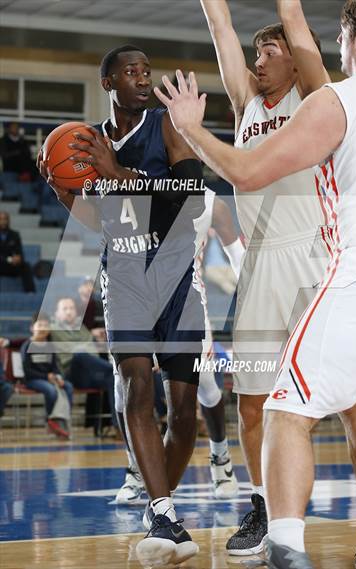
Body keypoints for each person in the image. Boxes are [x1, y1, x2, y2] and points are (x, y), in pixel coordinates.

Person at [154, 0, 356, 567]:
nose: (260, 59)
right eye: (256, 53)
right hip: (264, 260)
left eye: (271, 50)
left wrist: (190, 130)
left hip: (325, 253)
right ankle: (263, 504)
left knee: (346, 400)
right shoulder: (251, 104)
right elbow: (219, 24)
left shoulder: (323, 94)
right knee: (256, 401)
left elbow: (298, 25)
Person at [38, 45, 206, 567]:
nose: (141, 78)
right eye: (130, 72)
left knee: (184, 413)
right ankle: (161, 508)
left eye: (145, 72)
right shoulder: (85, 142)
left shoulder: (165, 125)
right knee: (137, 381)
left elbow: (189, 192)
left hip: (177, 271)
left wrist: (117, 172)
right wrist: (68, 195)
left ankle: (163, 508)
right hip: (127, 271)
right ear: (107, 81)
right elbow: (99, 221)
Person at [114, 191, 242, 507]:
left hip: (185, 305)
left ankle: (220, 457)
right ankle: (135, 468)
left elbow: (240, 260)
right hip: (133, 301)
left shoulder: (213, 204)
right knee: (123, 387)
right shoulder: (130, 182)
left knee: (207, 385)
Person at [50, 297, 117, 429]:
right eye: (65, 309)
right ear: (57, 313)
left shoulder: (82, 328)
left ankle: (117, 426)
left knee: (112, 378)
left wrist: (80, 347)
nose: (69, 312)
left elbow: (93, 352)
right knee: (79, 354)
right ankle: (114, 368)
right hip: (69, 373)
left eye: (71, 308)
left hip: (88, 373)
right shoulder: (51, 329)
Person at [20, 312, 73, 438]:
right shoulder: (27, 346)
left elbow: (55, 366)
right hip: (32, 380)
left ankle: (62, 420)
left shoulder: (51, 346)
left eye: (46, 325)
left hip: (49, 378)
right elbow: (26, 371)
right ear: (32, 328)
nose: (43, 328)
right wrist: (46, 377)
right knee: (51, 390)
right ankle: (51, 422)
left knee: (68, 386)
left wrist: (58, 377)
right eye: (40, 325)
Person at [0, 211, 35, 292]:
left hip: (11, 266)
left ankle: (31, 293)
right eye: (1, 219)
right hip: (1, 264)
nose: (3, 221)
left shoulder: (15, 235)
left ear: (9, 221)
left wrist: (19, 258)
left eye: (5, 219)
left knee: (26, 266)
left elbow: (20, 253)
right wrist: (9, 259)